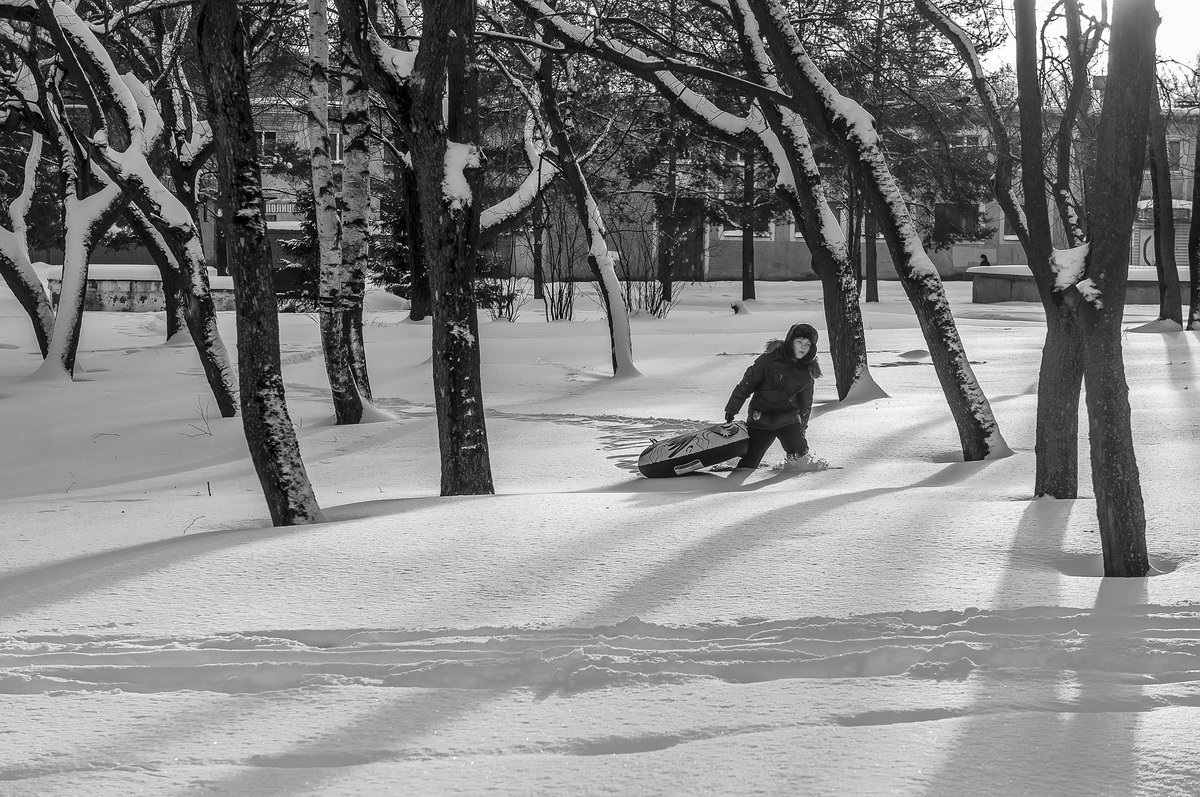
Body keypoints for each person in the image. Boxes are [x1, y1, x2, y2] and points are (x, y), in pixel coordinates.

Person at [723, 322, 821, 469]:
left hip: (789, 421)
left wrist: (802, 427)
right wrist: (732, 410)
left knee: (800, 459)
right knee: (749, 463)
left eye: (807, 344)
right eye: (799, 342)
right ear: (790, 342)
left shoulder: (807, 372)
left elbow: (805, 404)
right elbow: (746, 385)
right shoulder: (768, 360)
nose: (803, 347)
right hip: (761, 419)